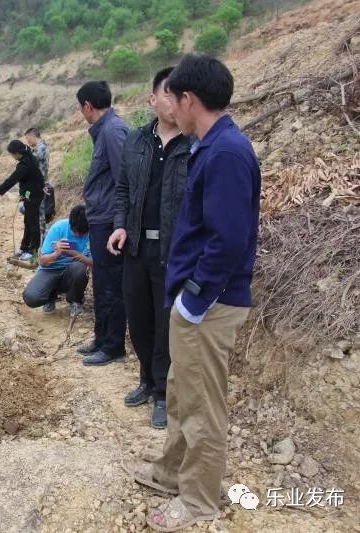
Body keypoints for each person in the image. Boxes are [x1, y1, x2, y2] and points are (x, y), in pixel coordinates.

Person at [132, 55, 261, 532]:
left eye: (172, 97)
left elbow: (227, 239)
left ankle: (200, 499)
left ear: (189, 100)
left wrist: (195, 298)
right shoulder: (212, 146)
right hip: (197, 299)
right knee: (182, 394)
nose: (167, 106)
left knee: (203, 404)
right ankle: (170, 474)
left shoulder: (226, 153)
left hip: (210, 302)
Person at [107, 68, 193, 430]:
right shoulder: (137, 140)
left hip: (172, 251)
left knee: (164, 324)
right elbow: (123, 190)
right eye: (168, 95)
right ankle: (146, 377)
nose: (174, 103)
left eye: (180, 96)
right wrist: (120, 225)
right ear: (153, 100)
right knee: (138, 317)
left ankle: (162, 391)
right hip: (137, 247)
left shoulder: (193, 144)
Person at [74, 81, 130, 367]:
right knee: (102, 282)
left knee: (111, 286)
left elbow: (126, 180)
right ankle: (102, 337)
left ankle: (113, 345)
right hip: (101, 218)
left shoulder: (112, 131)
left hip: (110, 221)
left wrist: (121, 222)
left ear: (87, 106)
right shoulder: (106, 130)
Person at [22, 205, 91, 316]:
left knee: (80, 268)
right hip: (50, 270)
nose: (78, 235)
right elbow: (42, 261)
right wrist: (56, 254)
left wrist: (75, 254)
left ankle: (75, 300)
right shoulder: (58, 228)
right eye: (75, 232)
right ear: (70, 223)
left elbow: (94, 263)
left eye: (82, 233)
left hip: (72, 271)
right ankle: (50, 296)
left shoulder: (92, 232)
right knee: (31, 298)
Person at [0, 140, 45, 260]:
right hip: (31, 194)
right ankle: (24, 247)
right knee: (28, 221)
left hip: (33, 195)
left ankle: (33, 251)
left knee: (33, 223)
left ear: (18, 153)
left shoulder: (24, 165)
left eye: (12, 154)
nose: (13, 157)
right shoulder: (29, 154)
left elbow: (12, 180)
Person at [24, 127, 54, 236]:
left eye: (28, 139)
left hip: (39, 186)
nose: (28, 142)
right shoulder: (37, 148)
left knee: (39, 214)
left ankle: (41, 239)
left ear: (33, 136)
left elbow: (32, 159)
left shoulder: (42, 147)